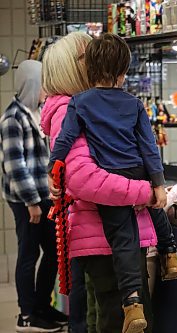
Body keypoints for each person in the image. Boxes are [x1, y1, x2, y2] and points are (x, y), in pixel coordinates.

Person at [48, 33, 177, 332]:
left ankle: (132, 302)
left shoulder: (80, 104)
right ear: (124, 72)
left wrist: (52, 166)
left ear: (89, 68)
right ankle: (170, 255)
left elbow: (66, 141)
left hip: (113, 181)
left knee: (123, 241)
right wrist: (156, 184)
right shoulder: (134, 104)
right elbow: (149, 147)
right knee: (154, 212)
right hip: (137, 174)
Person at [0, 60, 67, 332]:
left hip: (44, 197)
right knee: (28, 255)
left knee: (53, 252)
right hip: (26, 201)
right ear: (31, 84)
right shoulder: (12, 118)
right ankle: (26, 314)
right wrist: (31, 202)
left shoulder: (37, 112)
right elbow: (15, 166)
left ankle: (42, 306)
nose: (46, 90)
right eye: (43, 84)